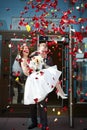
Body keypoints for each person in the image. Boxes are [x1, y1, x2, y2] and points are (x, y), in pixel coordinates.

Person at [20, 42, 67, 130]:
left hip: (42, 86)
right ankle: (34, 122)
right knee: (32, 105)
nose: (44, 52)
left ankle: (44, 125)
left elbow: (51, 71)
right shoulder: (32, 56)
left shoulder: (49, 59)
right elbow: (27, 67)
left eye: (45, 51)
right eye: (42, 50)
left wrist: (42, 64)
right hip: (33, 84)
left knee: (42, 105)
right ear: (38, 50)